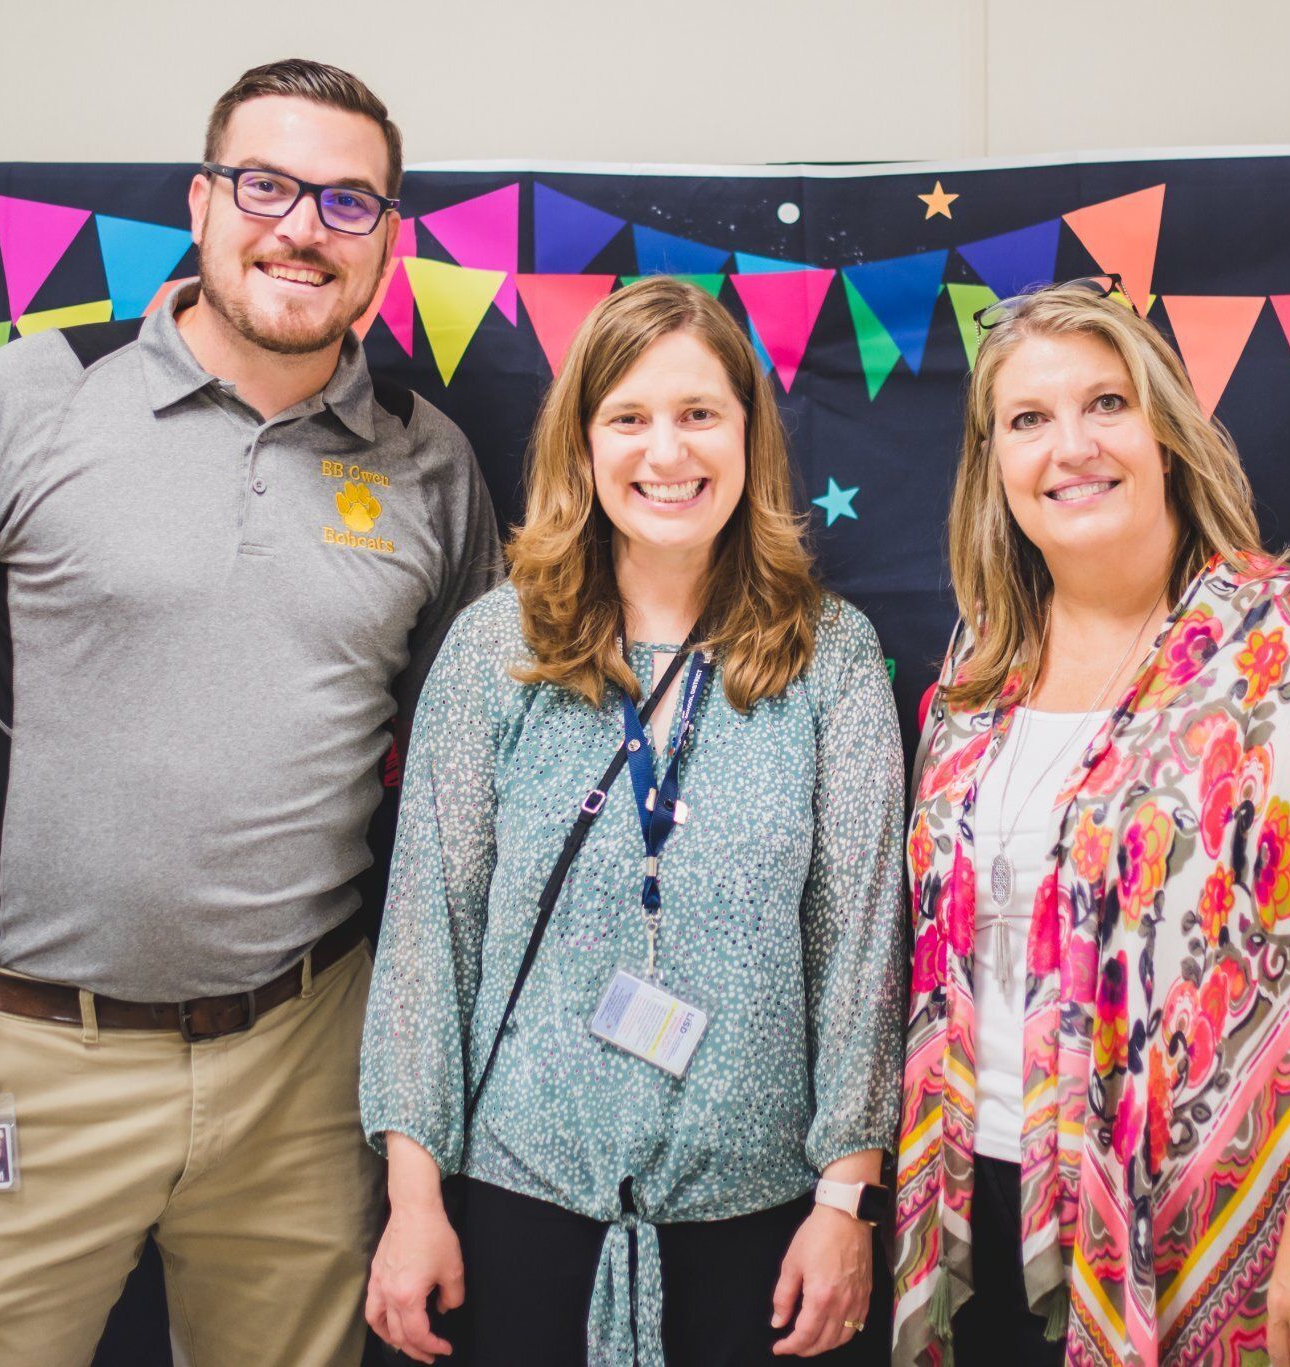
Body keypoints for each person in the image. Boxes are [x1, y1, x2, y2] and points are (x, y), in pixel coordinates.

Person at [0, 59, 499, 1367]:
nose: (302, 227)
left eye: (349, 202)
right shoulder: (34, 395)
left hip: (305, 1063)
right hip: (36, 1063)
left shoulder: (430, 460)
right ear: (202, 199)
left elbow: (475, 762)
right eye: (269, 185)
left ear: (389, 242)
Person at [888, 280, 1290, 1366]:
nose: (1070, 445)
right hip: (998, 1194)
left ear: (1161, 428)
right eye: (1027, 419)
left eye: (1103, 402)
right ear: (993, 465)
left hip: (1237, 1220)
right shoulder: (975, 676)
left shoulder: (1285, 636)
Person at [360, 277, 907, 1366]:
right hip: (512, 1205)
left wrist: (844, 1203)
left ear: (748, 433)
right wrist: (413, 1199)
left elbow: (858, 949)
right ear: (582, 443)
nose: (667, 451)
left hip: (763, 1222)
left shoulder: (826, 656)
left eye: (699, 413)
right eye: (629, 417)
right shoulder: (494, 648)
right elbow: (430, 929)